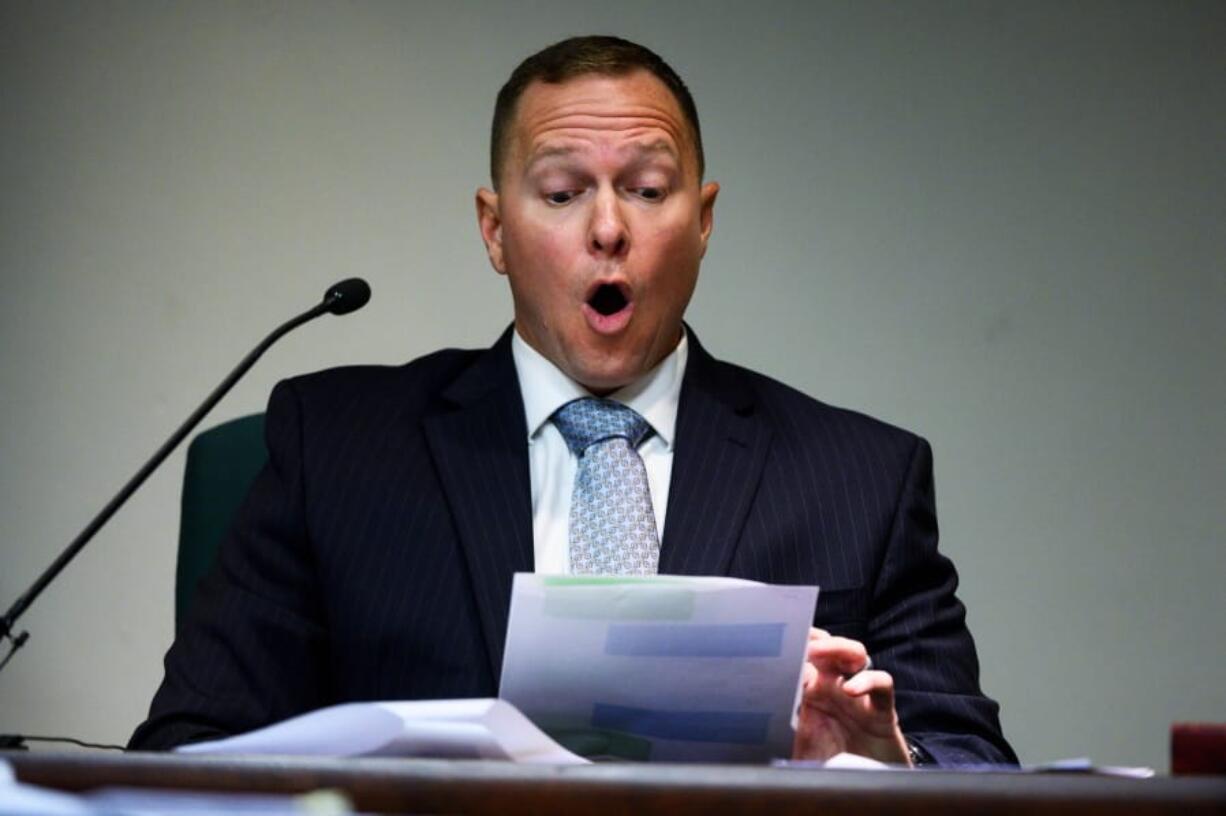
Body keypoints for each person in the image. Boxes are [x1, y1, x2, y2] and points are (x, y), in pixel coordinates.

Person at [131, 35, 1016, 766]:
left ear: (703, 220)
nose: (607, 228)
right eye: (561, 193)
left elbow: (975, 766)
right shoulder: (338, 450)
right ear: (494, 230)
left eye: (647, 190)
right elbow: (189, 748)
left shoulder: (861, 477)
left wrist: (883, 763)